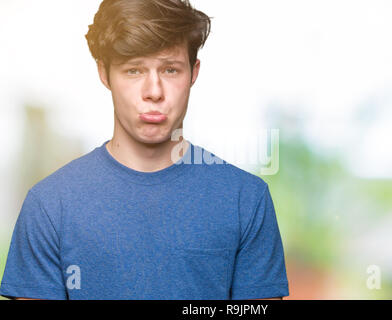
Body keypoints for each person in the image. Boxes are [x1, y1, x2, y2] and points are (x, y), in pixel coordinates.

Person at [0, 0, 289, 300]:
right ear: (104, 73)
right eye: (134, 70)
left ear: (193, 72)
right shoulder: (50, 206)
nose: (154, 91)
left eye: (170, 69)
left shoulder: (246, 200)